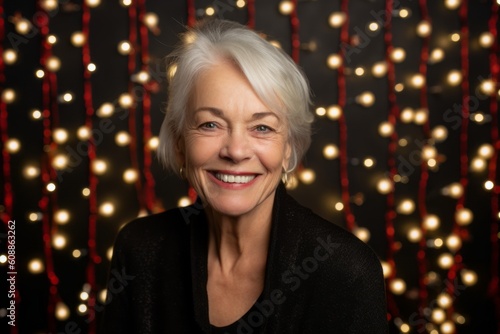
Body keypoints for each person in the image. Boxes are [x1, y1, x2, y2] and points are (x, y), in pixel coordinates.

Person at [102, 19, 388, 333]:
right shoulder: (140, 248)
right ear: (180, 142)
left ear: (289, 149)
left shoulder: (345, 272)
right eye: (210, 124)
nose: (236, 151)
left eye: (262, 127)